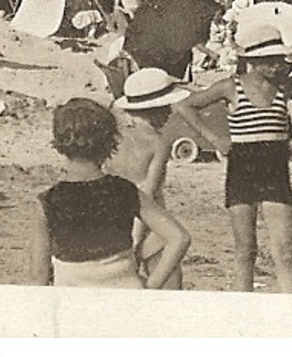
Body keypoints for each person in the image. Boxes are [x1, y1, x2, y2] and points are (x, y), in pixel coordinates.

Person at [173, 24, 292, 293]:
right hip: (241, 165)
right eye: (272, 61)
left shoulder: (285, 86)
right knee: (245, 250)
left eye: (280, 59)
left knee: (285, 252)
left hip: (275, 165)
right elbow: (185, 105)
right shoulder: (230, 87)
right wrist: (214, 139)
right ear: (254, 62)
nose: (279, 65)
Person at [31, 98, 189, 289]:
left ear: (59, 144)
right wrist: (150, 288)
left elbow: (38, 277)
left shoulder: (48, 201)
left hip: (73, 303)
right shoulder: (125, 191)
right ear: (109, 143)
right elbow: (179, 237)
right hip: (123, 299)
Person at [108, 68, 189, 289]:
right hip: (149, 222)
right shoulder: (157, 142)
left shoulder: (112, 136)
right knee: (170, 286)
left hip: (111, 219)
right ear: (157, 108)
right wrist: (134, 238)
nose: (170, 112)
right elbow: (148, 192)